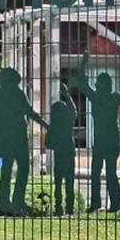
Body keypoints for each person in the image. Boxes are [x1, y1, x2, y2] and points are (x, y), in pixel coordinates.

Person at [79, 52, 120, 213]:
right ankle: (114, 203)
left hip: (102, 140)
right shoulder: (112, 97)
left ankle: (96, 203)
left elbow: (82, 82)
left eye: (99, 83)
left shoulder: (96, 97)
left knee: (96, 173)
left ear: (101, 86)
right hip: (112, 140)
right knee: (110, 173)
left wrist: (84, 63)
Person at [0, 68, 47, 214]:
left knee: (9, 170)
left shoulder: (1, 97)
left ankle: (11, 202)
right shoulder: (16, 94)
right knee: (19, 169)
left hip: (11, 137)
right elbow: (29, 112)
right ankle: (13, 201)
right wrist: (45, 124)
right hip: (16, 137)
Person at [46, 83, 77, 216]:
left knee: (58, 183)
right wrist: (66, 95)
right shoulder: (68, 123)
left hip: (59, 155)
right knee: (69, 183)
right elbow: (73, 111)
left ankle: (58, 208)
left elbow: (47, 144)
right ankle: (69, 208)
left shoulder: (54, 127)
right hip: (69, 154)